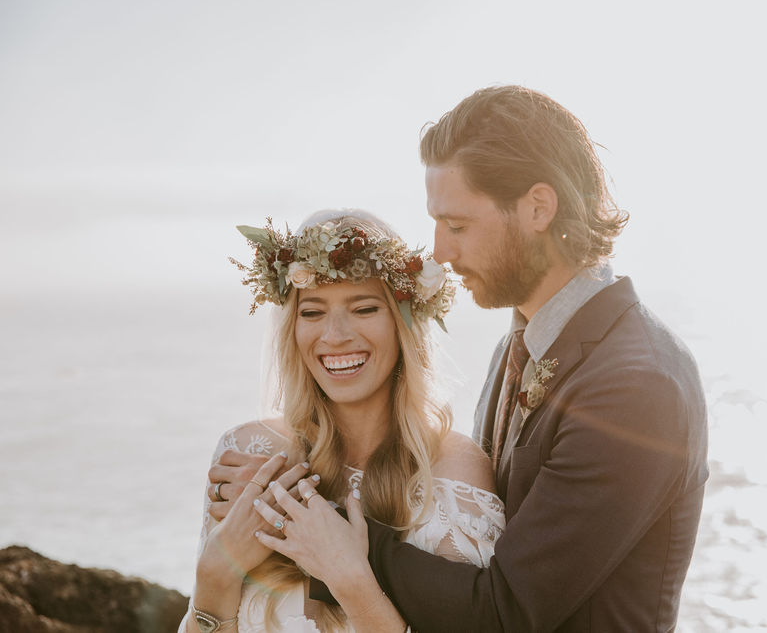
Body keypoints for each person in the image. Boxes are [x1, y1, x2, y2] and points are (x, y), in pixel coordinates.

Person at [213, 86, 709, 632]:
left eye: (457, 226)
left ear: (538, 208)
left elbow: (506, 611)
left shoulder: (636, 386)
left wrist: (309, 517)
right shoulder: (519, 346)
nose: (441, 252)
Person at [180, 209, 504, 633]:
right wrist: (214, 575)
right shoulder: (246, 456)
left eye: (364, 308)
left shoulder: (453, 473)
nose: (334, 336)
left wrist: (352, 582)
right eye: (312, 313)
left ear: (403, 324)